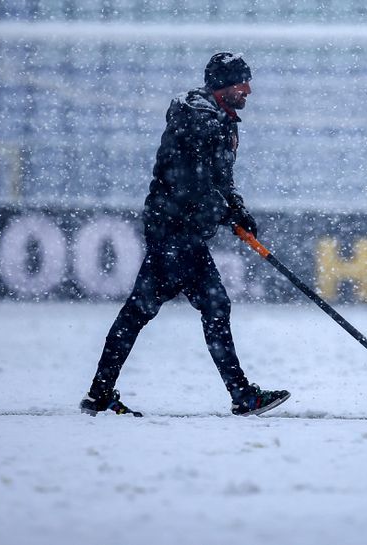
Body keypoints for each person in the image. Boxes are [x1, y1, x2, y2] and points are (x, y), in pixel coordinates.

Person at [80, 52, 290, 417]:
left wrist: (236, 208)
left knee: (147, 311)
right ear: (223, 85)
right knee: (199, 306)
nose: (249, 90)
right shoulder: (196, 119)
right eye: (243, 82)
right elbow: (190, 181)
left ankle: (99, 394)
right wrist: (223, 211)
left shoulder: (224, 122)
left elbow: (220, 179)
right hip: (174, 230)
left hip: (184, 231)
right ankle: (241, 395)